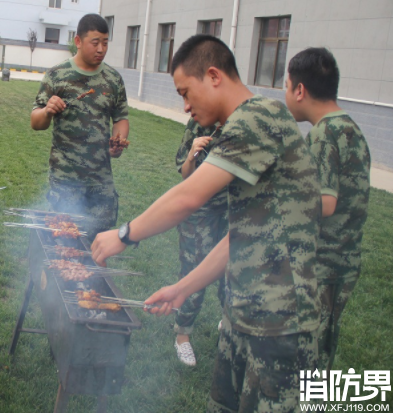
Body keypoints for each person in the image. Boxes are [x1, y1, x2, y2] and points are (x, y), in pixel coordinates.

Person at [92, 34, 321, 412]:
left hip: (283, 322)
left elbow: (188, 196)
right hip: (245, 312)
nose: (184, 106)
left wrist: (124, 235)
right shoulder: (243, 123)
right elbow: (243, 236)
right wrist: (184, 287)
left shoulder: (257, 119)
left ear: (213, 75)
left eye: (186, 92)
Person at [284, 47, 370, 372]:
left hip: (323, 266)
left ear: (300, 90)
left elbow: (325, 203)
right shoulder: (350, 127)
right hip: (344, 261)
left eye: (286, 85)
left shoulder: (323, 135)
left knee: (308, 355)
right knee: (323, 348)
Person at [31, 14, 129, 238]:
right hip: (66, 181)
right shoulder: (57, 76)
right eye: (95, 42)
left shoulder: (113, 80)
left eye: (105, 42)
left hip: (100, 182)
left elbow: (121, 118)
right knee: (64, 243)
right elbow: (35, 122)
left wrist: (118, 141)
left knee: (100, 244)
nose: (101, 49)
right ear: (78, 41)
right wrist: (47, 110)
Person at [172, 118, 228, 366]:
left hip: (232, 209)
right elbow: (185, 175)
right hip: (200, 212)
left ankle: (229, 323)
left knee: (235, 272)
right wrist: (193, 154)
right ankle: (182, 335)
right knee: (194, 272)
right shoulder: (197, 123)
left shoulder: (240, 123)